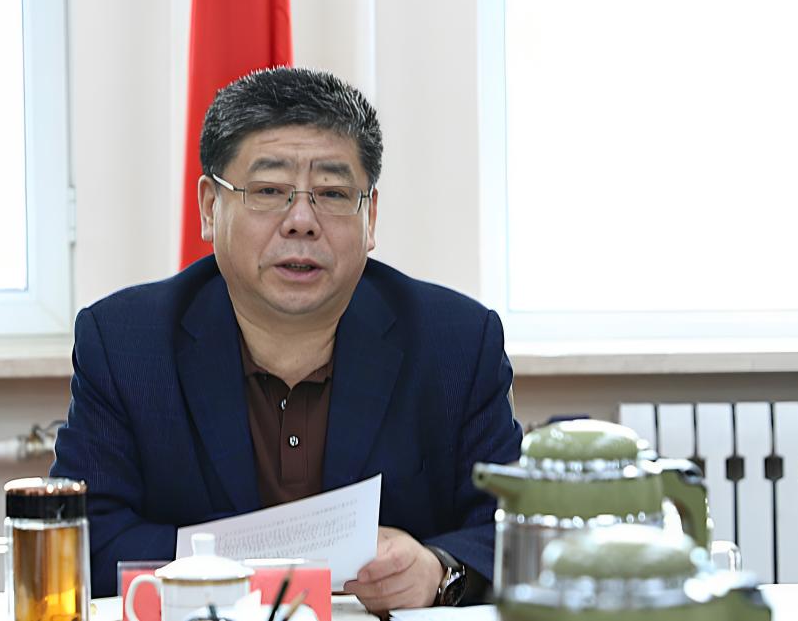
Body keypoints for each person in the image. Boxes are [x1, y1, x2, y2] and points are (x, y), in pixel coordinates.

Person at [51, 67, 522, 610]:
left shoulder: (457, 343)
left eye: (333, 193)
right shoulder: (126, 344)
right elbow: (83, 537)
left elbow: (516, 525)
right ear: (209, 207)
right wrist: (266, 572)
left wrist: (440, 568)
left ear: (370, 216)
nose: (301, 220)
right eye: (269, 191)